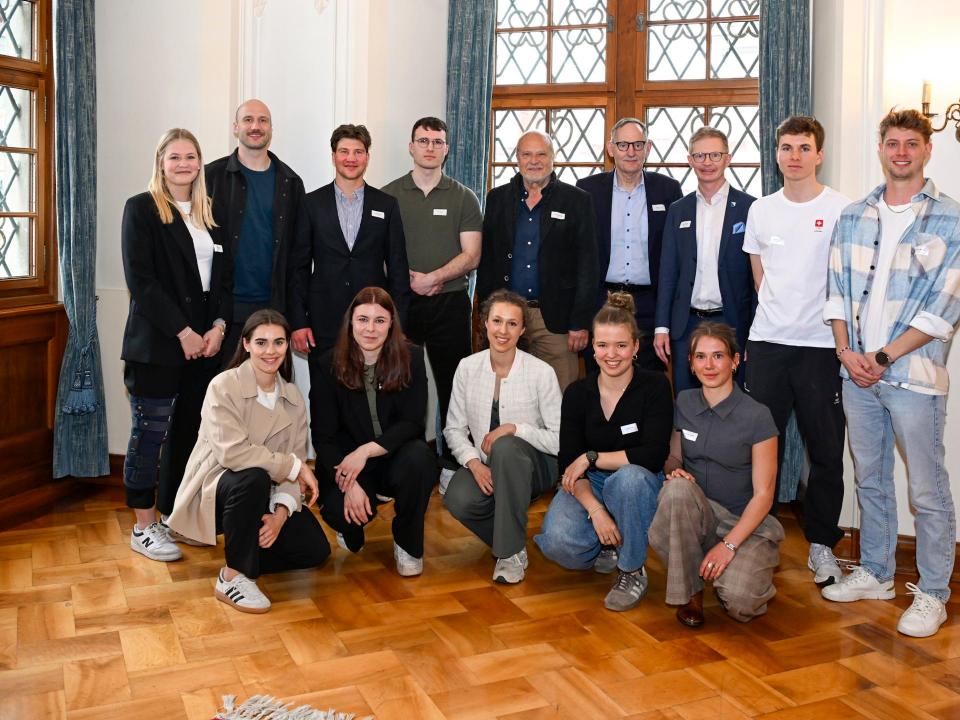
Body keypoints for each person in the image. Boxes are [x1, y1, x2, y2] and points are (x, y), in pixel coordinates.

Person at [821, 109, 960, 638]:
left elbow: (942, 309)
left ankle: (932, 593)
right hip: (854, 373)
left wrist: (879, 359)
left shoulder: (950, 218)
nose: (901, 152)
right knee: (871, 480)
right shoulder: (856, 214)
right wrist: (845, 352)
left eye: (911, 143)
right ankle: (877, 572)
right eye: (892, 143)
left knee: (927, 490)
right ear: (880, 148)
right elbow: (835, 290)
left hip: (913, 379)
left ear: (927, 150)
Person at [741, 115, 851, 586]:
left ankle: (822, 544)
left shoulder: (843, 209)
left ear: (818, 154)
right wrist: (776, 316)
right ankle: (754, 537)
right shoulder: (762, 209)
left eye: (803, 148)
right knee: (761, 445)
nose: (794, 156)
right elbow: (758, 271)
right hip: (767, 344)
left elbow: (846, 278)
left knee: (825, 448)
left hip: (821, 347)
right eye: (786, 148)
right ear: (777, 154)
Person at [166, 310, 329, 613]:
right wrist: (292, 467)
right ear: (246, 344)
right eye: (262, 342)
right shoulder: (223, 386)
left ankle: (243, 551)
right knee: (252, 475)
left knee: (315, 549)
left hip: (262, 495)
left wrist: (280, 514)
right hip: (215, 489)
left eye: (279, 342)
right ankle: (233, 576)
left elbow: (294, 463)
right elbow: (234, 454)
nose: (271, 351)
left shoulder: (293, 397)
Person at [120, 128, 231, 562]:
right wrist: (182, 332)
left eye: (191, 157)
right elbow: (141, 282)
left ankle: (175, 517)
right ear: (160, 163)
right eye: (175, 157)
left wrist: (218, 326)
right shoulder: (142, 209)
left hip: (205, 346)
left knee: (190, 434)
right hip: (159, 344)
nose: (183, 164)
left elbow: (222, 278)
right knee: (150, 434)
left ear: (200, 163)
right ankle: (143, 526)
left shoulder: (208, 211)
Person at [534, 292, 673, 611]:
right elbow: (570, 463)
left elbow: (651, 455)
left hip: (639, 481)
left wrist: (592, 456)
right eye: (603, 345)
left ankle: (632, 569)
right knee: (560, 545)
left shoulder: (654, 386)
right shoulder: (577, 393)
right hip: (589, 482)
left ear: (636, 347)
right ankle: (609, 540)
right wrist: (596, 510)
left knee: (629, 481)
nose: (612, 355)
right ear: (592, 347)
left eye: (621, 345)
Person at [649, 322, 782, 626]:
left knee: (740, 603)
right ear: (691, 364)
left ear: (735, 362)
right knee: (676, 490)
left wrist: (729, 546)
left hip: (743, 524)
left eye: (718, 356)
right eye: (700, 357)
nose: (709, 365)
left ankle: (750, 569)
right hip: (696, 517)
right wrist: (674, 471)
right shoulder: (684, 402)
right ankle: (691, 593)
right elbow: (672, 457)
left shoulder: (757, 415)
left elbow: (764, 495)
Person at [311, 287, 435, 576]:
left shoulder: (412, 357)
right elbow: (324, 438)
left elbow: (413, 422)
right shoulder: (328, 364)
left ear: (391, 323)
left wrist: (366, 451)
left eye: (379, 320)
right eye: (363, 319)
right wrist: (348, 484)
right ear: (350, 322)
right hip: (349, 465)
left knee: (420, 459)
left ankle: (407, 544)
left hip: (394, 456)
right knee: (340, 511)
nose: (370, 328)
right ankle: (353, 525)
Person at [382, 117, 483, 470]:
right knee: (398, 383)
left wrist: (434, 277)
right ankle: (400, 463)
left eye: (437, 142)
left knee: (454, 385)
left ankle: (453, 462)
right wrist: (408, 280)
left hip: (450, 303)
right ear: (411, 147)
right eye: (423, 141)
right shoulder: (388, 195)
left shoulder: (463, 197)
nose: (430, 147)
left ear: (447, 149)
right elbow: (377, 250)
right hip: (401, 304)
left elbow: (472, 255)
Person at [443, 289, 562, 584]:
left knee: (506, 446)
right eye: (497, 321)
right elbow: (453, 429)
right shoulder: (467, 368)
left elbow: (560, 439)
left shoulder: (541, 372)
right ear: (485, 323)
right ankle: (514, 542)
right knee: (457, 497)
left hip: (536, 467)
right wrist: (473, 463)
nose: (503, 330)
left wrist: (515, 428)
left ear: (522, 330)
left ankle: (507, 556)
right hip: (486, 465)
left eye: (512, 323)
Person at [477, 130, 598, 391]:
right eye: (527, 154)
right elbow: (487, 261)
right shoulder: (497, 198)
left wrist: (580, 322)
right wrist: (486, 314)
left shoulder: (576, 200)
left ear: (553, 158)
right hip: (507, 318)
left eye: (541, 154)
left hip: (555, 320)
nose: (534, 161)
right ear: (517, 159)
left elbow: (588, 266)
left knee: (560, 394)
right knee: (507, 391)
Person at [289, 124, 411, 357]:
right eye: (344, 151)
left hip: (374, 324)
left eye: (358, 152)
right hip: (322, 320)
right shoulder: (310, 204)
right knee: (324, 392)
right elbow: (298, 269)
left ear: (367, 157)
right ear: (333, 157)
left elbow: (398, 269)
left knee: (370, 391)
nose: (351, 158)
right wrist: (298, 321)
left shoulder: (387, 205)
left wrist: (399, 324)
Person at [654, 127, 756, 392]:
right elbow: (668, 272)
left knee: (732, 400)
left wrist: (756, 334)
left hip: (732, 321)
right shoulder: (679, 210)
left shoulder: (750, 208)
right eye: (700, 156)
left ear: (727, 158)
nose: (707, 162)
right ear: (690, 160)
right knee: (687, 401)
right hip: (685, 324)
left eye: (714, 155)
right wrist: (661, 327)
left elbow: (757, 278)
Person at [577, 117, 683, 373]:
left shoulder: (668, 190)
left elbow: (677, 252)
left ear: (648, 149)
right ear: (610, 149)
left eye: (638, 144)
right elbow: (577, 255)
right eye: (623, 145)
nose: (631, 152)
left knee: (648, 381)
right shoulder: (587, 190)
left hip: (650, 303)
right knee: (601, 377)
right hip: (602, 301)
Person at [205, 99, 306, 363]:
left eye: (263, 120)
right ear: (235, 127)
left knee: (269, 397)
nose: (255, 126)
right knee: (223, 394)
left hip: (273, 309)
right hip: (222, 312)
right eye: (248, 120)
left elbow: (299, 258)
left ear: (271, 128)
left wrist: (296, 317)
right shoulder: (210, 178)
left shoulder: (291, 182)